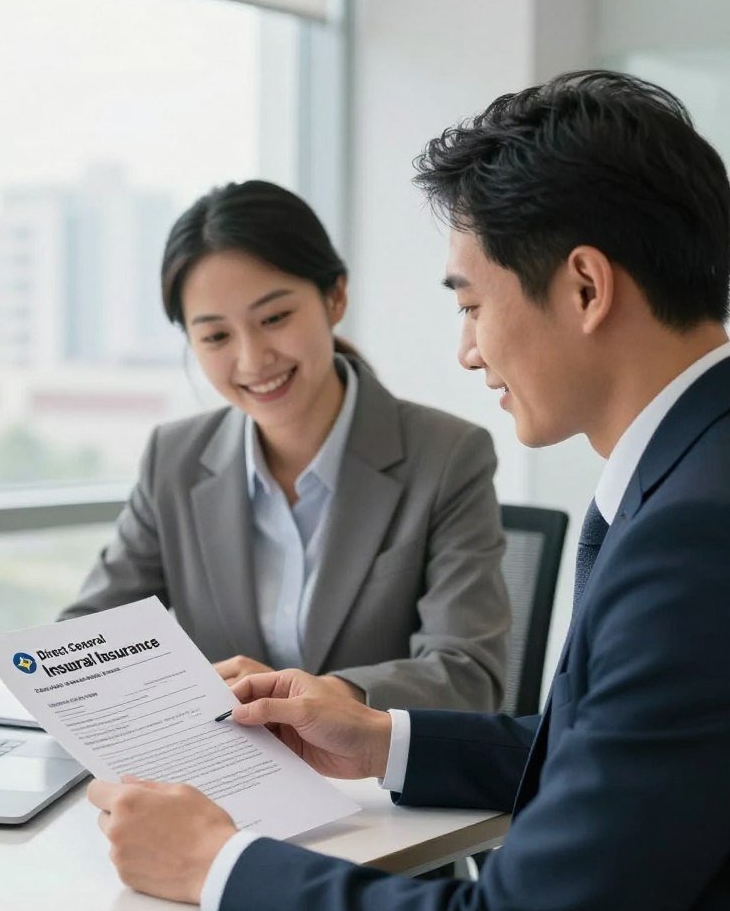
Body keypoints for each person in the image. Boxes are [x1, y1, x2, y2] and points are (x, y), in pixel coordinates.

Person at [87, 70, 730, 911]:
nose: (468, 350)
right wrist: (381, 737)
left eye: (471, 304)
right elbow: (624, 756)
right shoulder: (692, 473)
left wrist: (213, 861)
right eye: (213, 334)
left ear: (586, 286)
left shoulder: (694, 536)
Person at [60, 180, 509, 716]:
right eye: (216, 337)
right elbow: (81, 649)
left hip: (372, 787)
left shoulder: (446, 455)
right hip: (220, 778)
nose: (252, 361)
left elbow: (468, 676)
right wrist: (181, 689)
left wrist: (320, 698)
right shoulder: (174, 459)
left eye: (274, 318)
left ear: (334, 297)